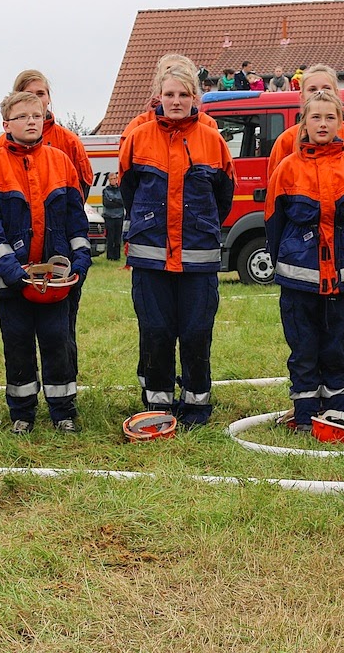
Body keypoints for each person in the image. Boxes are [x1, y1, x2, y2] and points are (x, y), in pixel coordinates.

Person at [120, 63, 234, 427]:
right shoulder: (139, 138)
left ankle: (196, 406)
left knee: (197, 332)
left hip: (197, 260)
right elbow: (128, 190)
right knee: (156, 331)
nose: (176, 101)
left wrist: (199, 227)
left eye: (184, 95)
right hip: (151, 259)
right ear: (159, 96)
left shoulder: (212, 140)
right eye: (169, 94)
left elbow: (223, 197)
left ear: (195, 98)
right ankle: (157, 406)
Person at [0, 91, 92, 433]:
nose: (30, 122)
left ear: (45, 119)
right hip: (12, 285)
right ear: (6, 124)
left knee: (58, 343)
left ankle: (63, 412)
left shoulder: (61, 162)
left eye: (36, 116)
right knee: (18, 345)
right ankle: (22, 414)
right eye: (22, 116)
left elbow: (76, 222)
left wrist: (80, 261)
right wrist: (13, 271)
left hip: (55, 283)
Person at [265, 89, 344, 432]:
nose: (323, 123)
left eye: (331, 117)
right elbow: (274, 222)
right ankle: (304, 418)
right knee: (303, 349)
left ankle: (336, 416)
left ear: (341, 123)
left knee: (337, 348)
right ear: (304, 123)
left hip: (341, 278)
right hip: (299, 280)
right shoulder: (286, 169)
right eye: (316, 117)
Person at [266, 65, 344, 183]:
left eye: (326, 88)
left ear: (336, 93)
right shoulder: (286, 140)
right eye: (312, 89)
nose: (319, 93)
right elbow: (275, 188)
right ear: (302, 96)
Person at [123, 54, 219, 138]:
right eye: (169, 70)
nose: (174, 75)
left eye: (181, 71)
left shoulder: (207, 124)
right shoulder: (139, 125)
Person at [102, 171, 126, 261]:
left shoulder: (121, 190)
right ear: (109, 180)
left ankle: (117, 256)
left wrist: (113, 200)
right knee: (110, 238)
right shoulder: (106, 190)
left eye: (115, 178)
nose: (113, 180)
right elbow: (107, 203)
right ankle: (110, 256)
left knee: (118, 238)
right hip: (109, 217)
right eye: (111, 179)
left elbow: (123, 202)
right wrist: (117, 201)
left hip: (119, 216)